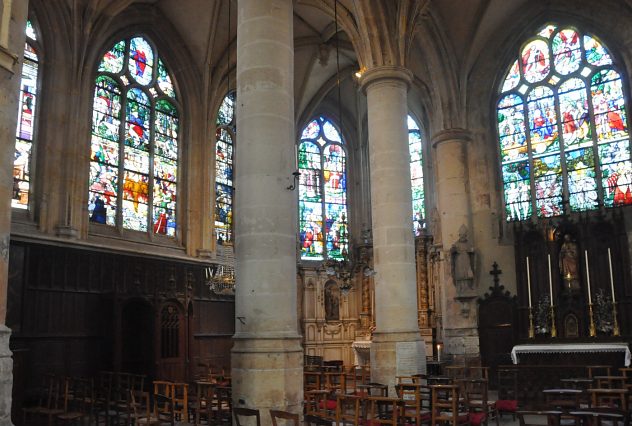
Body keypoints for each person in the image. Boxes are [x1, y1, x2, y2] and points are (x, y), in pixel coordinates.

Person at [450, 225, 476, 297]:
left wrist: (471, 250)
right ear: (459, 235)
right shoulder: (456, 244)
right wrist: (453, 250)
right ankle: (460, 288)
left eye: (464, 235)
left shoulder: (468, 244)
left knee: (467, 274)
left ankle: (468, 287)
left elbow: (472, 250)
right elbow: (452, 252)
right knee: (460, 274)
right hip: (459, 261)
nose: (463, 236)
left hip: (466, 261)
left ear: (466, 235)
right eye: (461, 235)